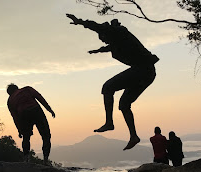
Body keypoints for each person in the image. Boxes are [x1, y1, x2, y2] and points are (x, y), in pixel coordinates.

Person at [66, 14, 159, 150]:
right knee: (124, 104)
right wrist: (97, 51)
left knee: (107, 87)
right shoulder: (119, 41)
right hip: (147, 73)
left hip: (142, 70)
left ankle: (109, 122)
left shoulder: (118, 33)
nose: (103, 41)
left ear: (106, 33)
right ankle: (134, 136)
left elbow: (97, 27)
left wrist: (79, 21)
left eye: (103, 38)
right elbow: (110, 47)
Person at [6, 83, 55, 164]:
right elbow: (40, 98)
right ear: (17, 88)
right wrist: (49, 109)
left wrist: (19, 130)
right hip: (36, 111)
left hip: (23, 115)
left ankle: (26, 159)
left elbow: (15, 117)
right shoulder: (27, 89)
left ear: (9, 93)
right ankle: (45, 160)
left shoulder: (10, 100)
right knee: (46, 136)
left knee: (26, 137)